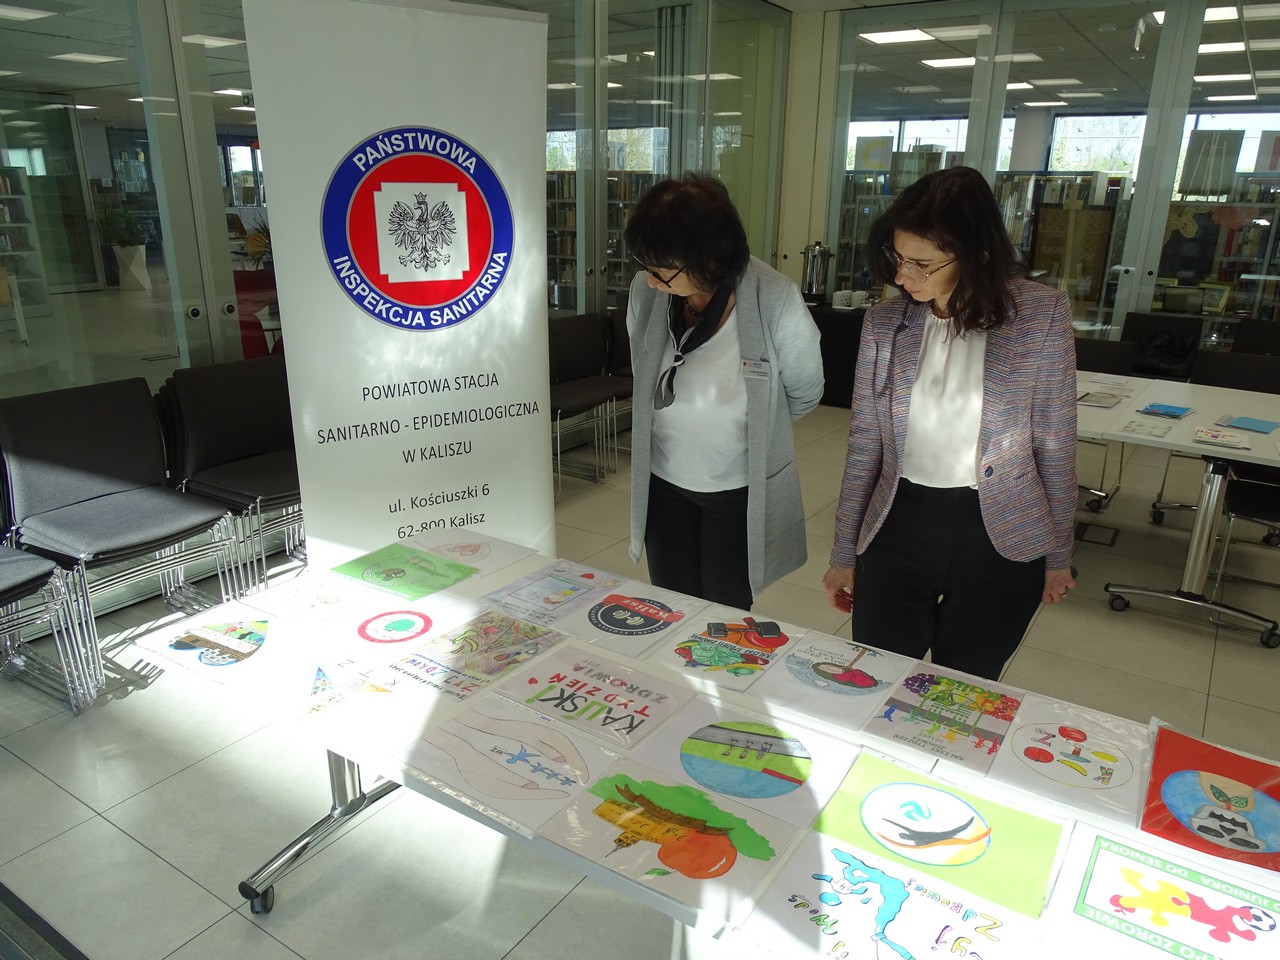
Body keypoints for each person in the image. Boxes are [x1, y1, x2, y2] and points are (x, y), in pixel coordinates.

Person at [820, 165, 1076, 681]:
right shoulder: (885, 323)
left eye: (921, 263)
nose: (902, 277)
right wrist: (844, 550)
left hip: (1001, 531)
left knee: (966, 685)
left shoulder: (1040, 314)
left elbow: (1055, 443)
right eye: (897, 257)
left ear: (976, 255)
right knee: (877, 677)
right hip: (899, 521)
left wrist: (1058, 555)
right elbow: (866, 445)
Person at [624, 173, 823, 610]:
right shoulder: (647, 292)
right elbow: (644, 372)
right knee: (672, 607)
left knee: (725, 618)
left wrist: (752, 426)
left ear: (707, 260)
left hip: (737, 491)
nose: (652, 280)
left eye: (662, 270)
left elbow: (805, 392)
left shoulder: (775, 299)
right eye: (647, 266)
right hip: (664, 482)